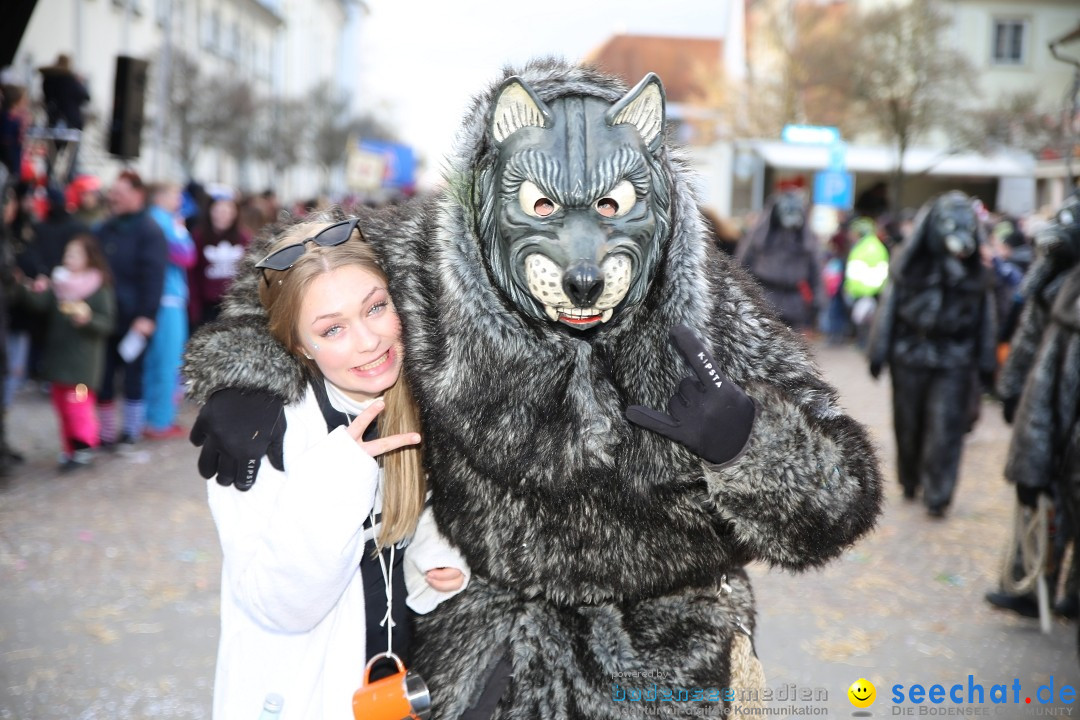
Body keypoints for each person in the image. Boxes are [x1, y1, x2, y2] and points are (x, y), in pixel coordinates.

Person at [205, 216, 469, 719]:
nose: (368, 340)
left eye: (376, 307)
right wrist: (338, 478)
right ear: (301, 345)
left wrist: (433, 554)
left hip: (393, 686)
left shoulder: (423, 392)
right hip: (301, 695)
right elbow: (279, 607)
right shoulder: (259, 431)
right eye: (333, 328)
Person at [867, 191, 997, 517]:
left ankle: (938, 493)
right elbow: (889, 308)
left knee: (945, 427)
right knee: (908, 424)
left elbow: (986, 317)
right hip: (909, 354)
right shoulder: (909, 264)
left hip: (954, 356)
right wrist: (878, 351)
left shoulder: (975, 272)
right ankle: (910, 478)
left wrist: (986, 363)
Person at [15, 233, 115, 470]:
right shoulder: (58, 284)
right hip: (58, 361)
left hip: (82, 365)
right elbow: (39, 304)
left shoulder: (99, 287)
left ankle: (84, 449)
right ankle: (70, 449)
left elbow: (108, 323)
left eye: (75, 254)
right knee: (62, 407)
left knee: (78, 406)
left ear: (89, 258)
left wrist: (89, 319)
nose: (68, 258)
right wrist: (20, 285)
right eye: (67, 253)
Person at [94, 170, 167, 446]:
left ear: (138, 195)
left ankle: (131, 431)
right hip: (105, 315)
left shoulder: (149, 231)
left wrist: (147, 316)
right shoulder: (105, 228)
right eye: (113, 193)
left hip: (135, 318)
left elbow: (153, 277)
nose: (113, 198)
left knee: (133, 375)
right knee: (103, 375)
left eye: (120, 193)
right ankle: (106, 432)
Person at [143, 182, 195, 439]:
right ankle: (159, 421)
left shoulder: (150, 219)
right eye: (175, 194)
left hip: (160, 297)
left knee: (155, 361)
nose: (179, 199)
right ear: (161, 195)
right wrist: (182, 230)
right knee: (167, 360)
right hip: (168, 298)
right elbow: (186, 255)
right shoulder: (165, 222)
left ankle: (152, 417)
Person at [188, 192, 250, 330]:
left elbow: (249, 272)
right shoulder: (199, 236)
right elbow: (192, 274)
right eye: (219, 210)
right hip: (207, 305)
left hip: (234, 304)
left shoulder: (244, 238)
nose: (223, 215)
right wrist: (194, 307)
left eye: (227, 210)